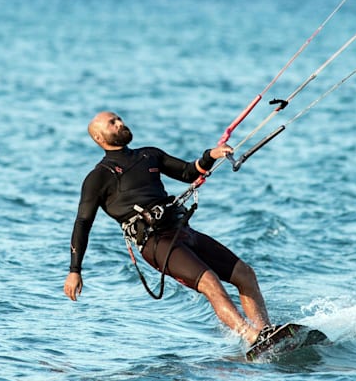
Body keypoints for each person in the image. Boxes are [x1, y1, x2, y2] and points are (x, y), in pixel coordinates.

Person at [63, 111, 276, 346]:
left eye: (119, 119)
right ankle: (251, 337)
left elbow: (188, 172)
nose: (120, 123)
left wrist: (211, 155)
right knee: (210, 282)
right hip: (155, 243)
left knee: (245, 274)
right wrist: (75, 270)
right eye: (112, 123)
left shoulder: (149, 155)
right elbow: (83, 223)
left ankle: (267, 333)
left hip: (182, 231)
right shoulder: (98, 177)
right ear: (98, 138)